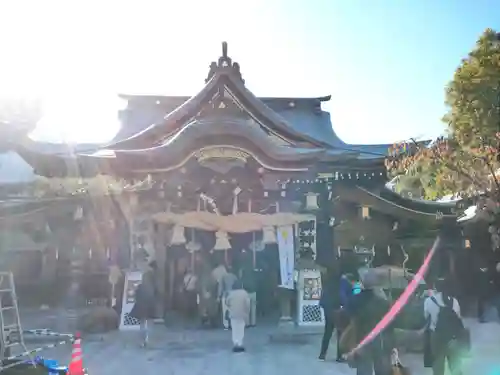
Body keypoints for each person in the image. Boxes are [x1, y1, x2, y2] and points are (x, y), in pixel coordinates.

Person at [348, 272, 393, 375]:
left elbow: (351, 314)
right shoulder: (382, 301)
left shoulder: (356, 299)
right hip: (379, 340)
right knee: (381, 368)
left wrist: (356, 286)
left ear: (363, 284)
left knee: (363, 369)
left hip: (361, 339)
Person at [424, 277, 466, 375]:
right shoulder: (454, 301)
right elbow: (458, 318)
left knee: (438, 366)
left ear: (435, 287)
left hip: (436, 336)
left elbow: (425, 316)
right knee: (455, 364)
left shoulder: (429, 301)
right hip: (452, 338)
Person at [129, 261, 158, 347]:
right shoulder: (153, 280)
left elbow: (137, 292)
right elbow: (155, 292)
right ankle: (147, 339)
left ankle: (143, 340)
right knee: (149, 322)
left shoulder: (144, 280)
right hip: (149, 303)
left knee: (142, 323)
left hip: (142, 304)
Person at [318, 268, 341, 361]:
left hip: (328, 309)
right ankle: (340, 356)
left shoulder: (327, 284)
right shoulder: (340, 284)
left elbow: (323, 300)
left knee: (327, 332)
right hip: (337, 309)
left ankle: (322, 354)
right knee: (340, 332)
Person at [226, 280, 251, 352]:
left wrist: (230, 307)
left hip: (233, 314)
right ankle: (240, 343)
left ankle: (235, 343)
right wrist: (247, 311)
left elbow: (227, 302)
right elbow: (247, 303)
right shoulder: (244, 293)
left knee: (234, 329)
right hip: (242, 314)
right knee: (241, 329)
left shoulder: (231, 293)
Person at [219, 265, 238, 329]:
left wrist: (219, 295)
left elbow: (221, 287)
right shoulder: (234, 277)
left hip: (225, 294)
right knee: (232, 310)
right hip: (233, 294)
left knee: (225, 311)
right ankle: (232, 323)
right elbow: (237, 286)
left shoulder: (223, 277)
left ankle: (226, 324)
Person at [239, 262, 257, 326]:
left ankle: (247, 323)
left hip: (246, 293)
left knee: (246, 309)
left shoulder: (243, 275)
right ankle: (253, 322)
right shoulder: (253, 273)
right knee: (253, 309)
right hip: (253, 292)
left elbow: (240, 281)